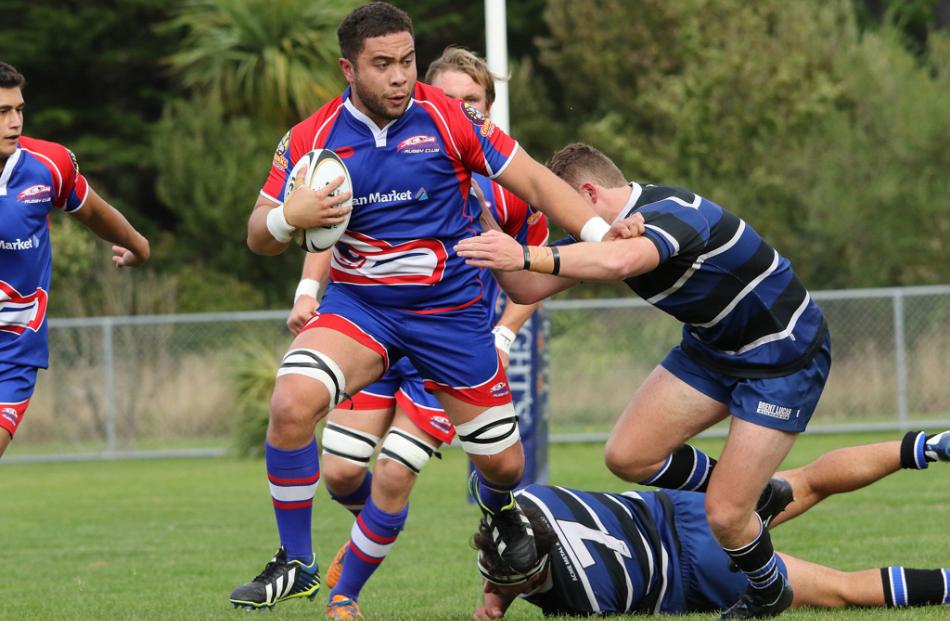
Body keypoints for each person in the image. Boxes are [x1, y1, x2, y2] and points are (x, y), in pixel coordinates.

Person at [230, 4, 628, 614]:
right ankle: (299, 561)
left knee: (505, 465)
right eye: (382, 64)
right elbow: (258, 234)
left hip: (451, 318)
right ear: (348, 68)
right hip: (362, 309)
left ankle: (498, 509)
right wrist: (289, 217)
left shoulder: (450, 120)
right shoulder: (311, 139)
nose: (399, 77)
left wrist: (603, 235)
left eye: (407, 61)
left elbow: (539, 186)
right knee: (290, 402)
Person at [456, 143, 833, 618]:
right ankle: (756, 493)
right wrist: (487, 230)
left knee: (724, 515)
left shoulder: (674, 211)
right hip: (714, 350)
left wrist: (527, 253)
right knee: (628, 455)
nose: (562, 224)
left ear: (587, 194)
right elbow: (527, 285)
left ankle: (767, 589)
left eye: (563, 210)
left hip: (784, 354)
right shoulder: (609, 235)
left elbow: (618, 264)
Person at [280, 45, 551, 620]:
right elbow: (331, 232)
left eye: (470, 101)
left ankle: (344, 594)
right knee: (340, 471)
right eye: (448, 97)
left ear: (487, 108)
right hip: (379, 338)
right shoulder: (381, 151)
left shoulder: (505, 187)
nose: (458, 107)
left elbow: (535, 275)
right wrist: (308, 293)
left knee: (395, 469)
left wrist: (503, 334)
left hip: (449, 344)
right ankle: (374, 528)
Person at [470, 430, 950, 618]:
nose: (494, 584)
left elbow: (540, 581)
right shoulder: (530, 498)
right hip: (689, 506)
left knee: (843, 590)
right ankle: (929, 445)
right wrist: (500, 593)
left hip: (698, 571)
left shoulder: (583, 600)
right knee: (810, 479)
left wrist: (497, 600)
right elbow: (491, 491)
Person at [0, 62, 149, 459]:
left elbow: (95, 213)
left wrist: (138, 245)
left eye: (19, 110)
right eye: (3, 113)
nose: (15, 122)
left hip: (12, 355)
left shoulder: (48, 165)